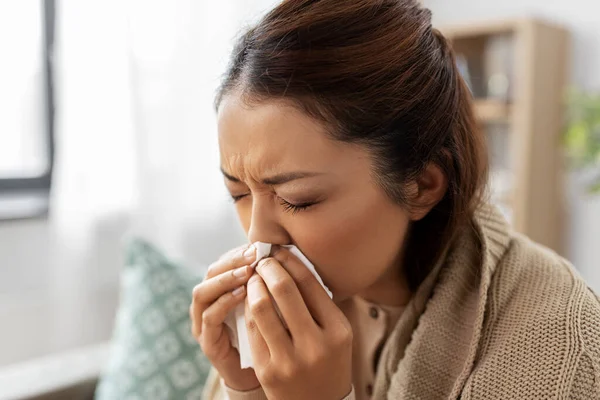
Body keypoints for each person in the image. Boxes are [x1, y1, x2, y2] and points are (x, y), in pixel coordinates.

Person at [190, 1, 600, 399]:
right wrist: (246, 387)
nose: (257, 234)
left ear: (421, 185)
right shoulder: (275, 314)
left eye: (299, 199)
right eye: (239, 194)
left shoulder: (559, 335)